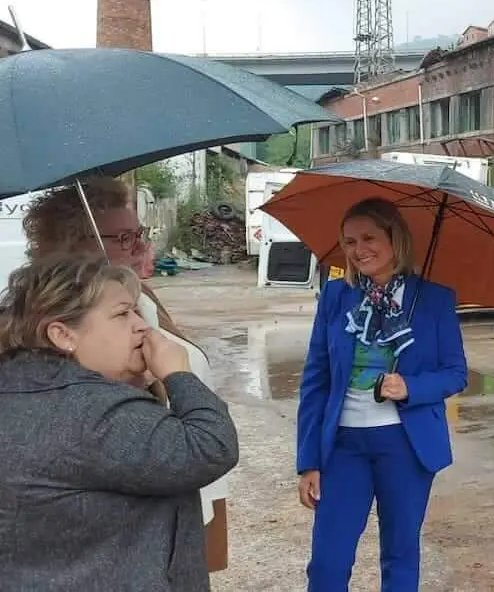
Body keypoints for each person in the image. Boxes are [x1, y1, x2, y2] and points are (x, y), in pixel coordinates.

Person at [20, 175, 234, 572]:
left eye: (139, 232)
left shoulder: (142, 299)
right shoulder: (57, 338)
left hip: (186, 496)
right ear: (74, 246)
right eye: (122, 238)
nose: (139, 246)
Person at [0, 253, 239, 591]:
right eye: (122, 313)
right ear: (63, 335)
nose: (141, 325)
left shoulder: (17, 388)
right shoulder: (94, 413)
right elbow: (211, 446)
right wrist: (178, 375)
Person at [296, 197, 468, 591]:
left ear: (395, 239)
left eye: (369, 238)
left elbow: (456, 373)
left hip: (405, 446)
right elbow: (315, 379)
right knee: (327, 561)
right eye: (350, 242)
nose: (359, 250)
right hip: (342, 446)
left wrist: (412, 387)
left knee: (400, 555)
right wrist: (308, 460)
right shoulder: (337, 297)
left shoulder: (434, 300)